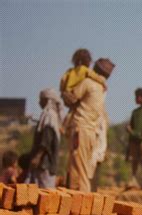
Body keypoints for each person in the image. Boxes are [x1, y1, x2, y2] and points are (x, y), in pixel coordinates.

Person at [66, 58, 115, 192]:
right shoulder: (101, 88)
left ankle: (82, 205)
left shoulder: (88, 83)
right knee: (84, 169)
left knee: (78, 171)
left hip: (81, 128)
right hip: (91, 133)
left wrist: (66, 86)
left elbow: (71, 98)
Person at [60, 49, 108, 136]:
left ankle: (64, 126)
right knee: (74, 109)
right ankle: (65, 128)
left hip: (67, 93)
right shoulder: (85, 70)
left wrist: (63, 91)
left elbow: (63, 80)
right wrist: (103, 83)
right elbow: (95, 76)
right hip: (74, 94)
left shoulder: (69, 71)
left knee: (71, 110)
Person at [27, 88, 63, 188]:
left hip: (45, 163)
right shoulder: (50, 116)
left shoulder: (49, 115)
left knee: (45, 193)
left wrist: (38, 157)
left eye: (41, 99)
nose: (39, 102)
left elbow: (47, 139)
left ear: (47, 100)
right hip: (44, 163)